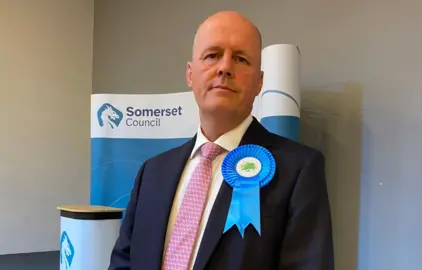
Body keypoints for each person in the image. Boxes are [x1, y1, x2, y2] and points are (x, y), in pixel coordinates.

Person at [108, 10, 334, 270]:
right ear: (190, 75)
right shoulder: (152, 172)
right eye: (212, 55)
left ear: (260, 82)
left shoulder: (299, 170)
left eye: (240, 59)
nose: (225, 67)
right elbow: (123, 263)